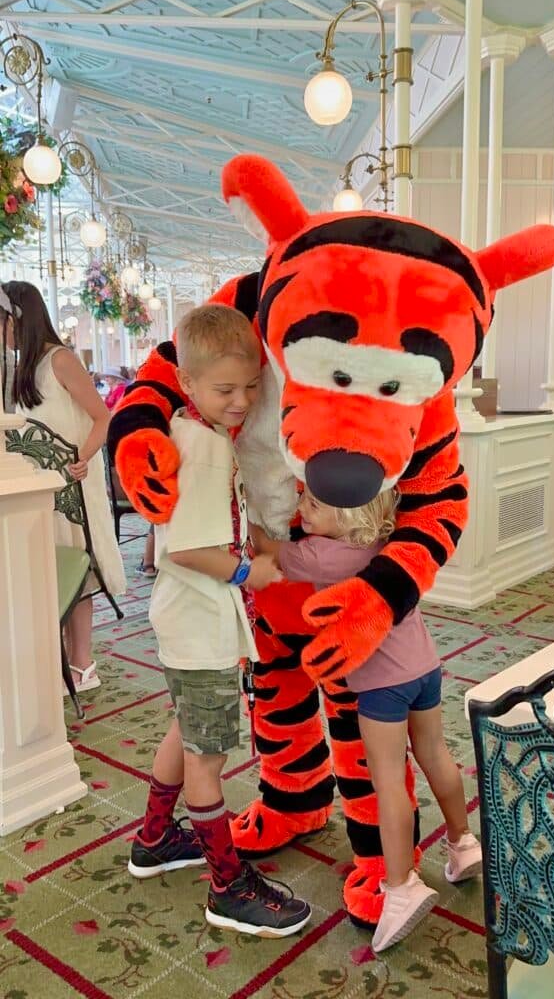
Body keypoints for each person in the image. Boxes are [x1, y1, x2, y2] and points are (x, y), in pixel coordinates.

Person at [128, 303, 311, 939]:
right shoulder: (205, 451)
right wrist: (247, 572)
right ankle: (227, 886)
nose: (242, 401)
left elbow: (207, 527)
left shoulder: (190, 431)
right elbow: (183, 549)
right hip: (202, 623)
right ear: (188, 385)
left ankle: (153, 839)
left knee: (185, 728)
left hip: (185, 622)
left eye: (252, 387)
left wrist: (260, 541)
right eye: (226, 389)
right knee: (209, 755)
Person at [251, 485, 482, 952]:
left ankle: (400, 887)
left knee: (386, 782)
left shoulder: (320, 555)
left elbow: (267, 548)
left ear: (347, 515)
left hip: (381, 687)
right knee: (435, 755)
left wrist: (244, 505)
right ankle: (463, 841)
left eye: (314, 504)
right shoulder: (387, 544)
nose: (301, 509)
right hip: (425, 668)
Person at [0, 282, 125, 691]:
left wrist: (82, 459)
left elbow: (102, 417)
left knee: (78, 565)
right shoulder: (20, 366)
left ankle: (82, 662)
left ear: (19, 319)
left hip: (71, 480)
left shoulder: (62, 360)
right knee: (50, 568)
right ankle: (59, 659)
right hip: (37, 486)